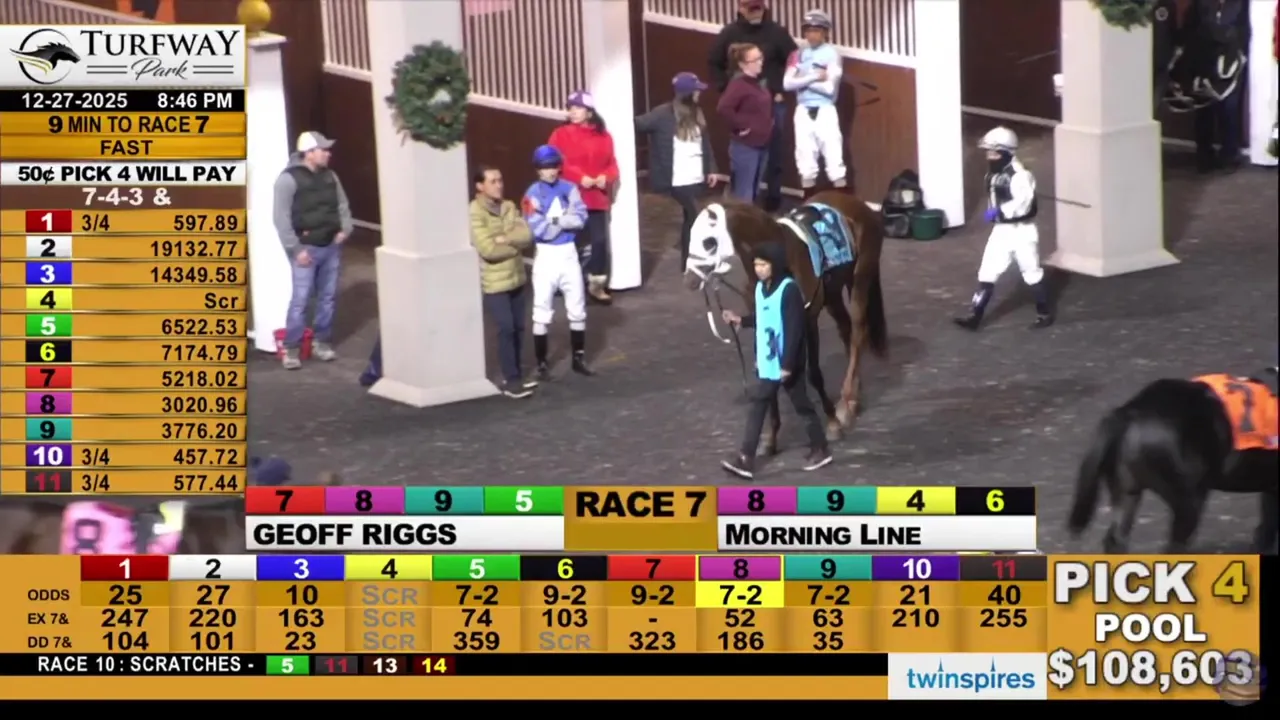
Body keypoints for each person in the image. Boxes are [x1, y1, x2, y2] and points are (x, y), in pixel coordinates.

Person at [719, 242, 831, 479]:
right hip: (770, 361)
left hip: (785, 362)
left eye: (763, 264)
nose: (759, 269)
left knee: (772, 404)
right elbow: (763, 318)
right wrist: (741, 320)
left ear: (775, 264)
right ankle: (819, 447)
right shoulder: (761, 289)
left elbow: (794, 329)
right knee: (793, 404)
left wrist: (787, 365)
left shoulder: (789, 291)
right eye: (756, 265)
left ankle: (747, 457)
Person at [954, 126, 1054, 332]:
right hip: (1001, 231)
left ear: (1006, 152)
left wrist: (1000, 210)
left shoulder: (1021, 176)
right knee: (987, 272)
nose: (989, 156)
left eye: (994, 152)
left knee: (1031, 272)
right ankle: (975, 315)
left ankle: (1044, 312)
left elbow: (1022, 204)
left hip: (1022, 231)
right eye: (988, 152)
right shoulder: (993, 174)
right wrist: (995, 212)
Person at [273, 131, 354, 370]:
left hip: (331, 246)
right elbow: (281, 218)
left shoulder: (330, 176)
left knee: (327, 298)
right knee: (301, 300)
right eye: (323, 150)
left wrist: (345, 229)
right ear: (309, 153)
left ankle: (322, 342)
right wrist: (296, 249)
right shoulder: (287, 180)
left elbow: (342, 204)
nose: (328, 154)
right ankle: (291, 348)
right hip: (305, 249)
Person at [708, 0, 797, 212]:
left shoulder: (777, 33)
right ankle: (742, 210)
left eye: (759, 8)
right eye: (751, 8)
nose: (756, 12)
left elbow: (793, 58)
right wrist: (726, 88)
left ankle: (770, 202)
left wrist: (780, 89)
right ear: (741, 9)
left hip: (770, 102)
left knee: (771, 157)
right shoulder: (730, 34)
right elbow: (714, 65)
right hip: (746, 110)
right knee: (746, 169)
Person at [523, 145, 594, 380]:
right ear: (538, 169)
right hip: (545, 256)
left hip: (568, 253)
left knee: (577, 308)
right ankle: (542, 364)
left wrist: (553, 220)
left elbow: (580, 218)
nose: (551, 171)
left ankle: (578, 359)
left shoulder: (570, 188)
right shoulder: (531, 194)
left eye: (554, 166)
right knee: (541, 310)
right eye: (546, 167)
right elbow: (537, 228)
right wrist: (564, 221)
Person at [635, 72, 719, 271]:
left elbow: (705, 143)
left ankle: (690, 261)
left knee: (692, 218)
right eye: (696, 90)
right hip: (677, 179)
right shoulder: (662, 114)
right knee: (695, 214)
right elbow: (637, 124)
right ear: (687, 93)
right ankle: (690, 261)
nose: (699, 93)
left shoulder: (697, 113)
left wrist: (711, 169)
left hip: (695, 177)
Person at [470, 165, 536, 398]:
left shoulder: (508, 206)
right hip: (495, 283)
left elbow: (526, 235)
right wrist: (514, 245)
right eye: (493, 181)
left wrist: (504, 238)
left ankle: (517, 374)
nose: (499, 185)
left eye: (500, 180)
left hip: (517, 278)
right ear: (480, 186)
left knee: (518, 328)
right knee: (506, 328)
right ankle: (511, 379)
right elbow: (488, 249)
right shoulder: (475, 212)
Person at [548, 91, 619, 304]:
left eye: (578, 107)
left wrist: (605, 177)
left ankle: (597, 285)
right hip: (569, 197)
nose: (573, 111)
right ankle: (565, 283)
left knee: (599, 242)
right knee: (568, 241)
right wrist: (580, 178)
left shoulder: (604, 136)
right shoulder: (560, 134)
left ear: (589, 112)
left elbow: (612, 164)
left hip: (596, 197)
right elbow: (555, 162)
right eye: (570, 107)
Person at [783, 9, 846, 198]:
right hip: (803, 110)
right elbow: (787, 84)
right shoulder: (798, 54)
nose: (812, 34)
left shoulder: (832, 54)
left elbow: (829, 88)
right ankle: (808, 201)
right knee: (805, 159)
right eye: (808, 30)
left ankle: (842, 202)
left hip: (825, 109)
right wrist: (813, 77)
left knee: (834, 158)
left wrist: (802, 80)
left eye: (817, 30)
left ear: (825, 31)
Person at [1183, 0, 1251, 173]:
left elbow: (1245, 31)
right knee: (1204, 108)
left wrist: (1239, 51)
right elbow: (1189, 30)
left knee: (1229, 108)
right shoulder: (1200, 4)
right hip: (1205, 61)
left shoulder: (1242, 4)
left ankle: (1229, 155)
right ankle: (1204, 155)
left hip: (1231, 63)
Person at [717, 43, 775, 203]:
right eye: (755, 60)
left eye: (760, 57)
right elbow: (723, 108)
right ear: (743, 65)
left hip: (762, 144)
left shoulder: (757, 82)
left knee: (754, 189)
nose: (760, 62)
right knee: (744, 192)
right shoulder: (738, 85)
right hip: (746, 146)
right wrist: (741, 126)